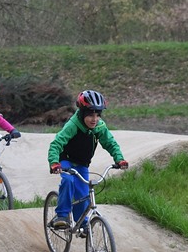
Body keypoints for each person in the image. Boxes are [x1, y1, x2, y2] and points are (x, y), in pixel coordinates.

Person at [47, 90, 128, 236]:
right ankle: (62, 216)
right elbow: (56, 144)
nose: (94, 119)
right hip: (66, 159)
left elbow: (111, 143)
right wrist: (54, 162)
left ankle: (81, 223)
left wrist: (119, 159)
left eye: (98, 115)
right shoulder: (73, 125)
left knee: (83, 194)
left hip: (82, 163)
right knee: (68, 181)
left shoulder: (99, 127)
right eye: (90, 115)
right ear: (83, 113)